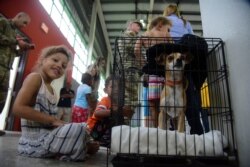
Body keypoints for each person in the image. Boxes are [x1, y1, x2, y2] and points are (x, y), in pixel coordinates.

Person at [12, 45, 99, 161]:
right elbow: (18, 108)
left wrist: (62, 125)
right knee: (78, 130)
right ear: (43, 60)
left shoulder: (53, 91)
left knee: (82, 129)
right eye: (55, 60)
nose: (59, 65)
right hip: (34, 142)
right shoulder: (35, 78)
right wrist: (54, 120)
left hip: (48, 138)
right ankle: (82, 147)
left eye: (63, 66)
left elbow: (52, 125)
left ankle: (82, 145)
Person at [163, 4, 208, 135]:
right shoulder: (185, 22)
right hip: (193, 57)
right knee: (194, 91)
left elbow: (165, 38)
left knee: (185, 93)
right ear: (177, 12)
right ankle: (199, 130)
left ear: (167, 12)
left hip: (178, 57)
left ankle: (195, 130)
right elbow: (192, 36)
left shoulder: (165, 21)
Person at [134, 16, 173, 127]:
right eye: (168, 28)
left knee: (153, 105)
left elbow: (136, 50)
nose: (168, 31)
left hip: (152, 74)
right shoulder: (166, 35)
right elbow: (173, 50)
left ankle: (157, 130)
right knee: (168, 104)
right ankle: (166, 128)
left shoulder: (145, 35)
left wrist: (145, 65)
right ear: (160, 24)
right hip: (166, 74)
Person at [0, 12, 34, 136]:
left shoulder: (15, 33)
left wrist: (22, 49)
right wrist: (15, 41)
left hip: (6, 69)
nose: (24, 26)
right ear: (18, 16)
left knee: (2, 98)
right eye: (24, 22)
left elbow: (13, 53)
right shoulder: (3, 22)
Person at [117, 20, 143, 124]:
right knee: (131, 97)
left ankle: (125, 122)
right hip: (130, 68)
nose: (139, 28)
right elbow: (132, 48)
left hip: (127, 68)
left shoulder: (126, 35)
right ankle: (125, 123)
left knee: (129, 97)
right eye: (137, 26)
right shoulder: (129, 35)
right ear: (131, 25)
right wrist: (140, 44)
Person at [87, 75, 115, 146]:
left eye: (119, 87)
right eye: (112, 87)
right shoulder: (105, 100)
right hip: (93, 129)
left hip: (102, 131)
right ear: (105, 90)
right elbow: (97, 113)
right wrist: (116, 111)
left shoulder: (115, 103)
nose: (116, 89)